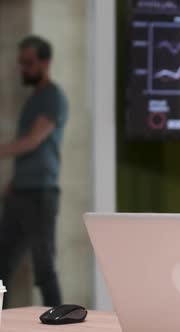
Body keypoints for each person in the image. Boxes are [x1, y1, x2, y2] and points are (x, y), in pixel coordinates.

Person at [0, 35, 68, 307]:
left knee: (44, 270)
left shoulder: (53, 97)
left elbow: (33, 140)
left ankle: (63, 323)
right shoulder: (34, 98)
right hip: (20, 195)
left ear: (45, 62)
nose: (23, 69)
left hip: (40, 196)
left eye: (28, 63)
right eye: (21, 63)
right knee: (1, 267)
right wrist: (14, 183)